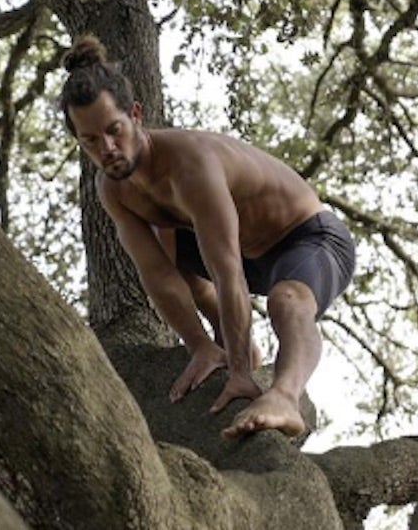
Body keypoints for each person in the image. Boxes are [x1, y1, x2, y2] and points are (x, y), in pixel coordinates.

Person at [58, 35, 355, 438]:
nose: (107, 148)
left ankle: (284, 396)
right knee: (170, 250)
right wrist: (197, 343)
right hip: (247, 258)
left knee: (286, 300)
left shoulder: (189, 164)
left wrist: (240, 375)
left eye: (114, 130)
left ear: (136, 115)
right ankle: (223, 349)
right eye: (90, 140)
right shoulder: (113, 190)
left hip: (307, 239)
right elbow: (159, 278)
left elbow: (227, 271)